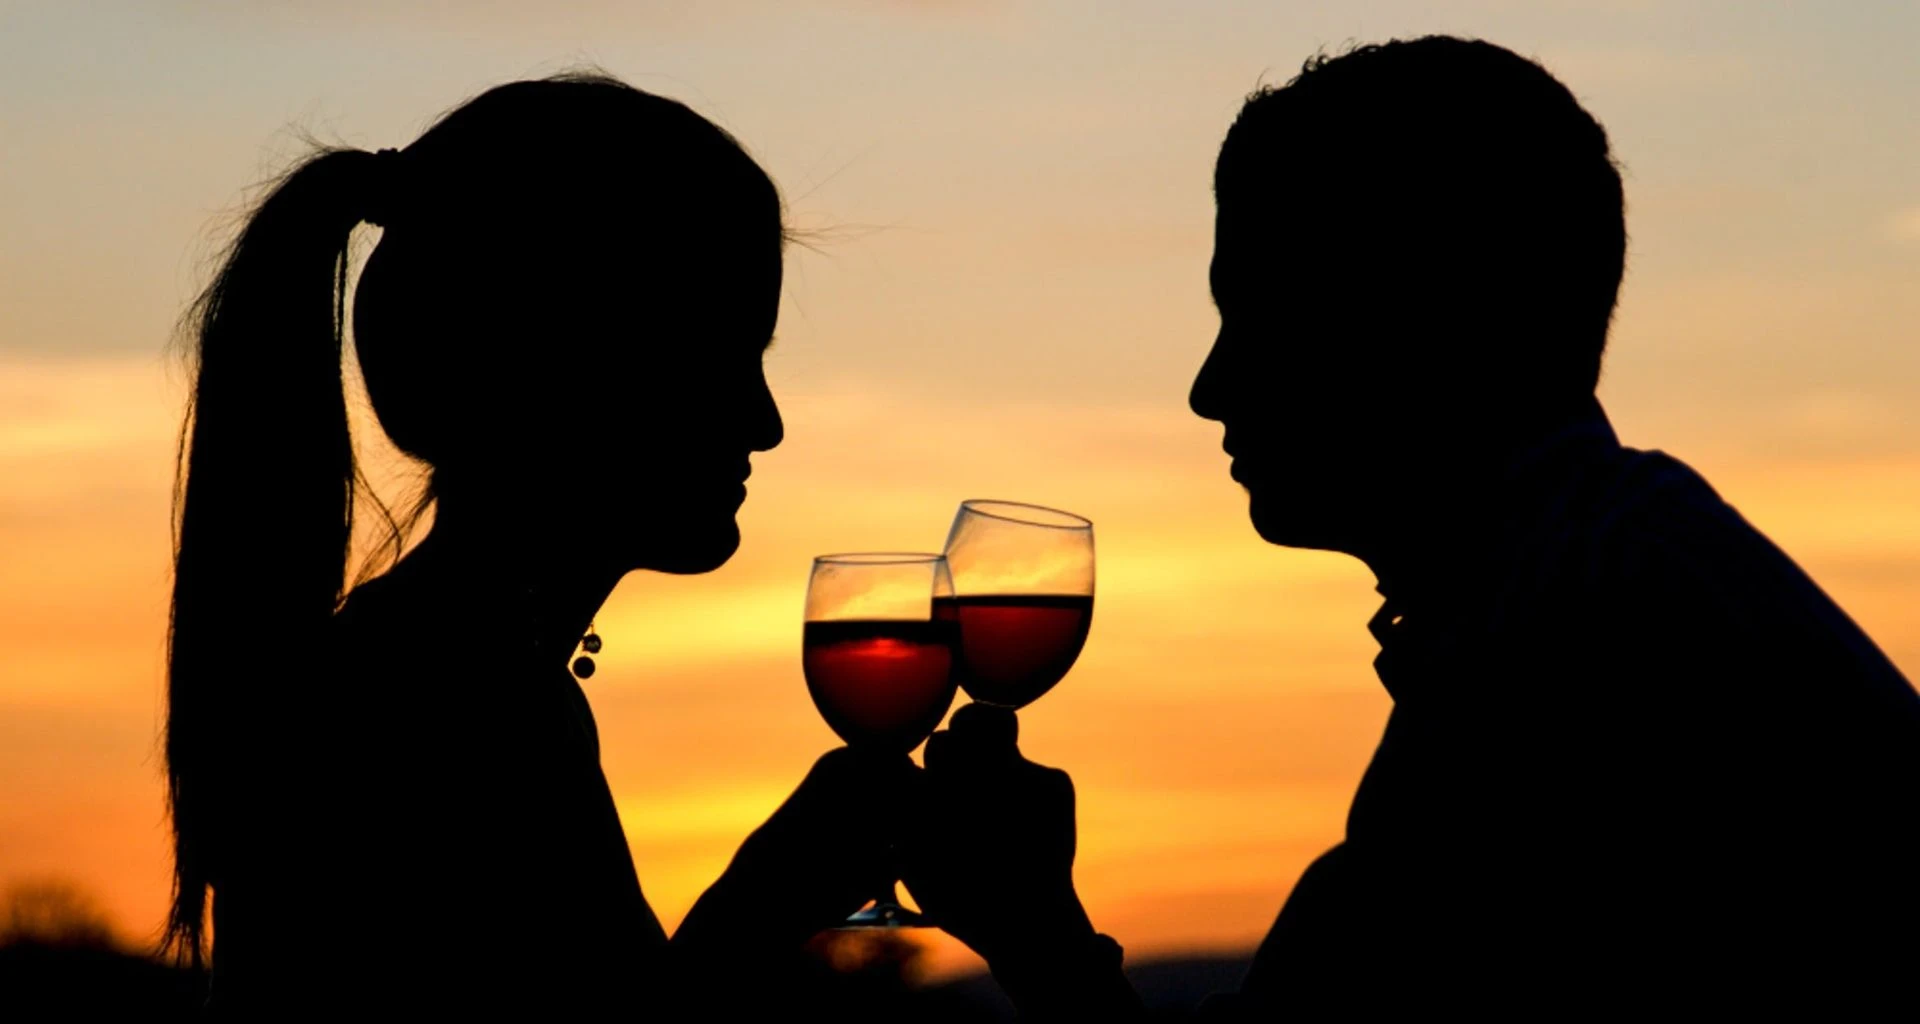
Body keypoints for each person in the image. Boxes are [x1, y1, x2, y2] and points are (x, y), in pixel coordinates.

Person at [903, 36, 1920, 1016]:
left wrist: (1034, 932)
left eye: (1259, 314)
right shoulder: (1599, 572)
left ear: (1419, 312)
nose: (1209, 389)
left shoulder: (1571, 653)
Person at [163, 74, 907, 1015]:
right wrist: (770, 897)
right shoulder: (448, 710)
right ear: (578, 367)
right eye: (722, 360)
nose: (766, 424)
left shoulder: (443, 669)